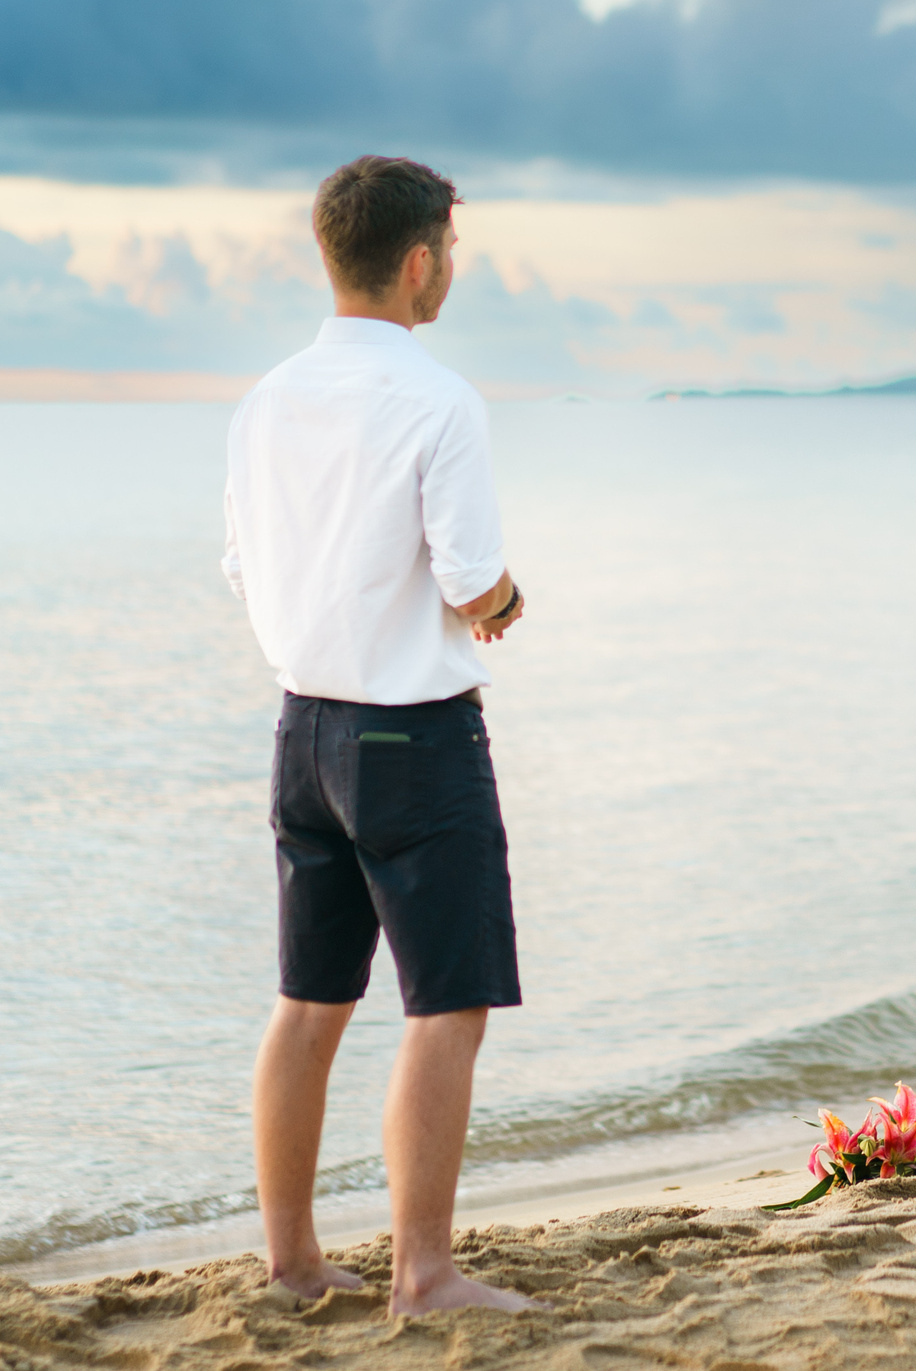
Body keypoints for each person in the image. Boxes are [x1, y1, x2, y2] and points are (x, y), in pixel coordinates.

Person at [219, 155, 534, 1313]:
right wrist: (503, 605)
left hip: (302, 732)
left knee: (309, 1001)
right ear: (417, 263)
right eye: (448, 251)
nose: (449, 270)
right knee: (446, 1005)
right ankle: (424, 1274)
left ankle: (294, 1264)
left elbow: (242, 566)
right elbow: (467, 576)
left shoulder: (265, 400)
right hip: (411, 738)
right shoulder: (439, 400)